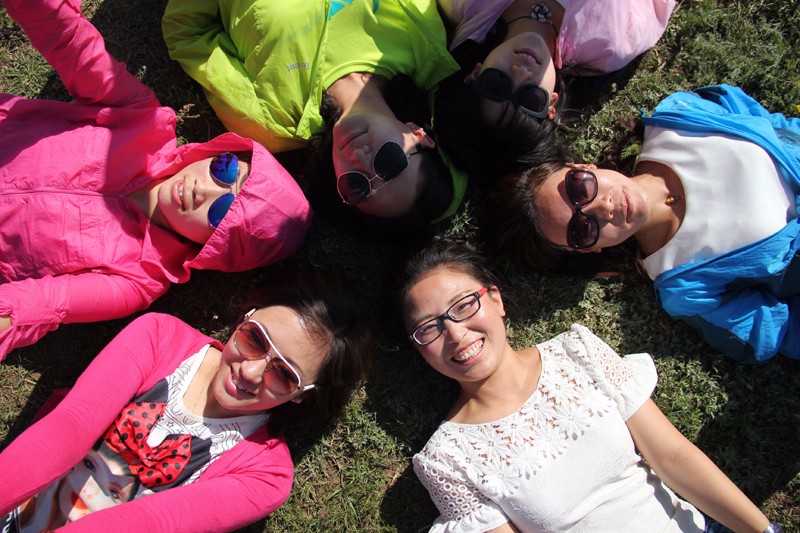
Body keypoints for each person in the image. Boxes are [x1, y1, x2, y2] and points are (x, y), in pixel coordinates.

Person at [398, 238, 780, 532]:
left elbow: (673, 457)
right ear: (419, 350)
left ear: (495, 300)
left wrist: (764, 530)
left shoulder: (576, 351)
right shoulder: (446, 460)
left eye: (464, 305)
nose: (456, 333)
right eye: (429, 328)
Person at [0, 0, 312, 358]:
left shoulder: (137, 280)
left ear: (213, 251)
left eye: (221, 212)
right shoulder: (143, 120)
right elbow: (75, 48)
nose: (203, 190)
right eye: (224, 168)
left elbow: (41, 305)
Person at [0, 266, 372, 532]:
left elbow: (153, 524)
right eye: (255, 338)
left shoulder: (266, 476)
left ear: (303, 396)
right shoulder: (160, 337)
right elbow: (69, 427)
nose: (251, 371)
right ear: (246, 315)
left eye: (284, 375)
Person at [486, 84, 800, 363]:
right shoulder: (684, 284)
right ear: (589, 250)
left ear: (583, 167)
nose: (603, 207)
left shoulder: (675, 118)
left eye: (580, 189)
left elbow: (759, 118)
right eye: (582, 229)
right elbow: (773, 332)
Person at [162, 0, 466, 227]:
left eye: (357, 185)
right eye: (389, 162)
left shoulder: (272, 121)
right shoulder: (421, 42)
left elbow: (189, 35)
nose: (360, 160)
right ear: (419, 135)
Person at [432, 0, 675, 184]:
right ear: (551, 105)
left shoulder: (463, 3)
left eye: (496, 83)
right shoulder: (611, 45)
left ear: (474, 74)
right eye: (530, 98)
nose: (520, 73)